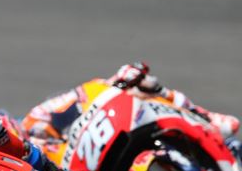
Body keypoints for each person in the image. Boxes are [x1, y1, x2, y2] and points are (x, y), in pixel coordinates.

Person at [22, 62, 241, 159]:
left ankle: (204, 118)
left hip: (114, 129)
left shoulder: (36, 118)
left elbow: (89, 92)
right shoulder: (28, 152)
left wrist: (121, 79)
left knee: (141, 87)